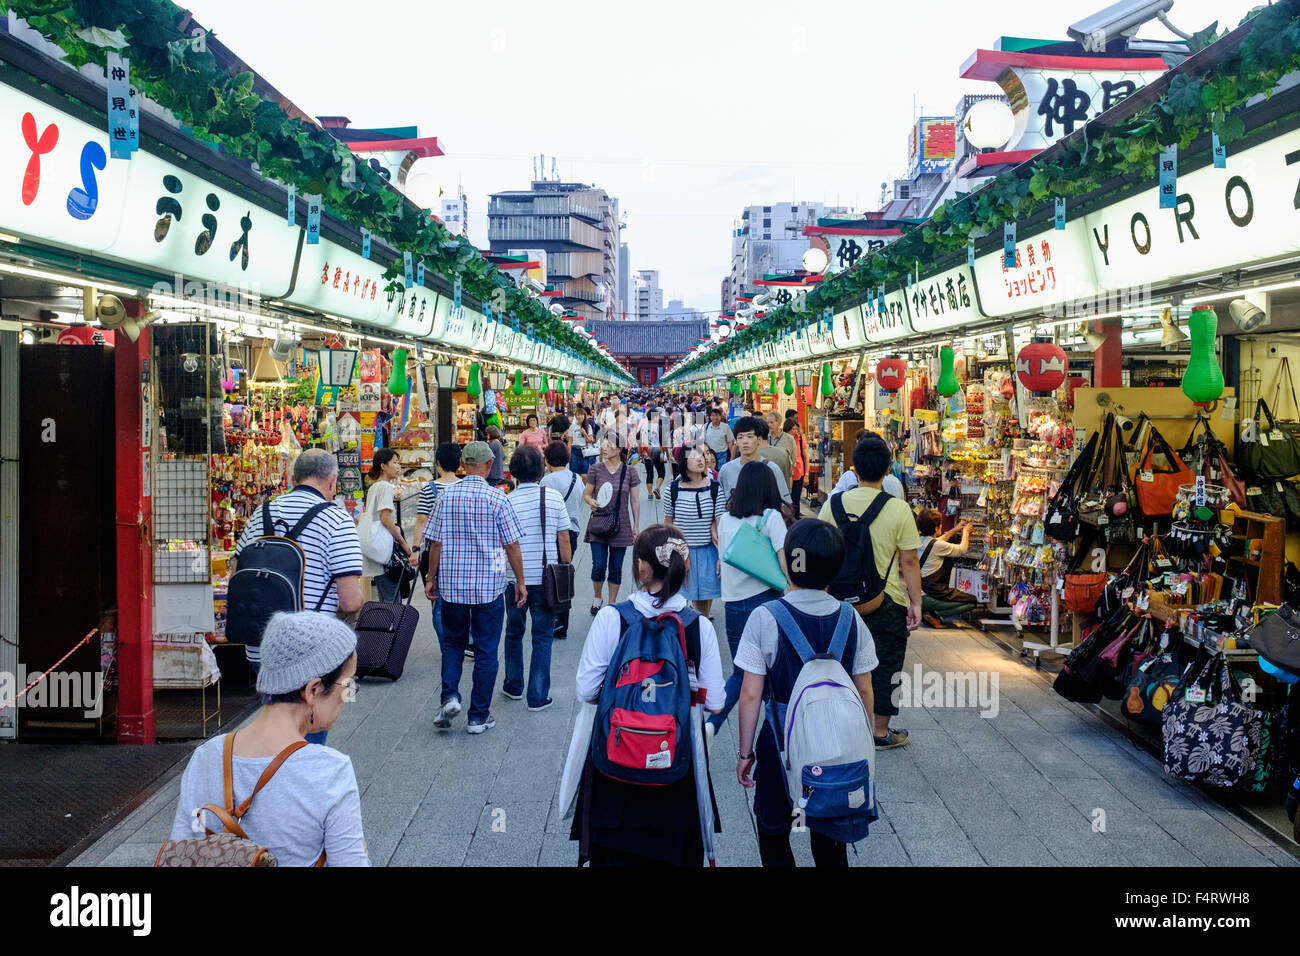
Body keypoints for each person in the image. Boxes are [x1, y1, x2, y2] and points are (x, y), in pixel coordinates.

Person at [571, 524, 724, 867]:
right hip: (675, 769)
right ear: (685, 567)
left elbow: (586, 689)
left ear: (640, 567)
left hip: (615, 767)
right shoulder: (699, 626)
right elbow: (714, 701)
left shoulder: (613, 618)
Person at [169, 612, 369, 866]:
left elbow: (182, 851)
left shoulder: (206, 756)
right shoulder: (330, 770)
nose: (348, 697)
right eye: (348, 686)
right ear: (313, 690)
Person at [734, 519, 877, 867]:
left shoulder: (765, 618)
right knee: (827, 834)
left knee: (774, 830)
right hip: (835, 748)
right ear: (836, 567)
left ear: (790, 561)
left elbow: (751, 694)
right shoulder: (851, 618)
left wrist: (744, 752)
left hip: (779, 744)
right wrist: (865, 743)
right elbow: (864, 689)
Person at [231, 449, 363, 746]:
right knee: (309, 735)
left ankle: (269, 776)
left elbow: (236, 573)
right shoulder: (336, 519)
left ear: (294, 477)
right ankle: (298, 784)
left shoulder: (262, 512)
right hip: (311, 652)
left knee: (277, 725)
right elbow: (351, 601)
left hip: (261, 647)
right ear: (333, 481)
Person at [817, 434, 922, 750]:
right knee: (887, 664)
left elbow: (820, 551)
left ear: (854, 469)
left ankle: (842, 724)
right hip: (886, 600)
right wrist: (916, 602)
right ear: (888, 470)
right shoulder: (899, 509)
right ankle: (879, 731)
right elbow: (909, 561)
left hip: (837, 601)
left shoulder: (832, 505)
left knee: (839, 661)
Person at [424, 441, 528, 735]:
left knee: (453, 644)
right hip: (488, 587)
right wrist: (520, 582)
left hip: (453, 586)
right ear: (487, 465)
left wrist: (432, 578)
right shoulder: (498, 499)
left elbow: (435, 543)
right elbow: (512, 546)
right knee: (486, 651)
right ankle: (478, 716)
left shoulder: (446, 496)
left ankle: (450, 696)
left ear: (463, 465)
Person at [708, 461, 789, 743]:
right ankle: (775, 731)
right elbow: (784, 559)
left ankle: (713, 721)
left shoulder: (726, 520)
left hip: (733, 606)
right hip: (765, 603)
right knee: (772, 671)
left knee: (743, 672)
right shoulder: (770, 518)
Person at [502, 446, 572, 711]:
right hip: (546, 579)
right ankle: (538, 695)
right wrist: (566, 563)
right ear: (541, 469)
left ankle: (513, 685)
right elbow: (563, 537)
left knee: (513, 632)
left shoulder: (507, 500)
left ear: (514, 471)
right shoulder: (553, 497)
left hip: (514, 579)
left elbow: (505, 543)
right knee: (542, 636)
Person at [583, 428, 642, 615]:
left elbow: (634, 500)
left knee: (616, 567)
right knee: (598, 565)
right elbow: (586, 493)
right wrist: (590, 501)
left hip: (621, 525)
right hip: (599, 524)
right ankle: (597, 597)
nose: (604, 448)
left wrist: (636, 525)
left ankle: (611, 603)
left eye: (609, 445)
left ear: (619, 449)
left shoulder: (630, 471)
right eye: (604, 444)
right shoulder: (596, 469)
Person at [665, 442, 725, 617]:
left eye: (701, 455)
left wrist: (722, 555)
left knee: (704, 599)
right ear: (683, 463)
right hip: (681, 552)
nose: (700, 459)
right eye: (693, 456)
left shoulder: (715, 488)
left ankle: (701, 629)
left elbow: (720, 523)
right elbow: (668, 524)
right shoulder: (673, 489)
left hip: (708, 552)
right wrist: (669, 553)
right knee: (678, 598)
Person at [413, 442, 462, 645]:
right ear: (459, 463)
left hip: (436, 553)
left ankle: (447, 645)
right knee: (461, 599)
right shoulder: (465, 486)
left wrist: (415, 548)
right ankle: (465, 642)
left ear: (438, 463)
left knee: (437, 602)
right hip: (462, 552)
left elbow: (421, 521)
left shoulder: (429, 489)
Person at [361, 449, 415, 604]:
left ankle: (386, 626)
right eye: (395, 462)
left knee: (386, 597)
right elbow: (386, 519)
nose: (397, 466)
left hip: (375, 549)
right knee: (392, 601)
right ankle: (392, 628)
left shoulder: (374, 487)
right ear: (383, 466)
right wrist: (404, 543)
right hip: (384, 550)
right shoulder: (385, 487)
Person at [542, 440, 584, 641]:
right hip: (572, 532)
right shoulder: (577, 478)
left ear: (548, 460)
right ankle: (562, 623)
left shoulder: (547, 481)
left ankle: (552, 619)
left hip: (553, 533)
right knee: (564, 575)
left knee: (550, 576)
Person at [916, 509, 980, 626]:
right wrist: (966, 532)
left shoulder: (919, 540)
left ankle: (930, 612)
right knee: (972, 601)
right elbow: (962, 550)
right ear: (936, 528)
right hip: (931, 593)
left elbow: (938, 541)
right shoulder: (937, 545)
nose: (941, 526)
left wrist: (956, 529)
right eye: (939, 524)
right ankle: (934, 614)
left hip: (919, 593)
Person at [718, 416, 792, 506]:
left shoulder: (772, 469)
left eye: (750, 436)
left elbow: (785, 505)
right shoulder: (726, 470)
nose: (745, 441)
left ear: (759, 440)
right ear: (736, 442)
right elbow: (720, 507)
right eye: (740, 437)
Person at [833, 431, 906, 499]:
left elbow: (831, 499)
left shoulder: (847, 478)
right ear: (887, 470)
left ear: (855, 470)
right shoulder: (895, 483)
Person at [762, 410, 795, 489]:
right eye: (767, 422)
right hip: (766, 478)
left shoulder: (789, 439)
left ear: (779, 423)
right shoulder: (764, 438)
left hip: (783, 477)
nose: (769, 425)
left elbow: (793, 460)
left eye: (772, 422)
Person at [639, 406, 666, 499]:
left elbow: (640, 441)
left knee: (649, 474)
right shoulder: (659, 427)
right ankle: (657, 488)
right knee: (661, 472)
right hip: (658, 452)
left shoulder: (643, 427)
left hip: (646, 453)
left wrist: (641, 454)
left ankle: (650, 494)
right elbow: (663, 442)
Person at [784, 418, 809, 518]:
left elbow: (806, 457)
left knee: (796, 499)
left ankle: (795, 519)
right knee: (786, 499)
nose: (795, 432)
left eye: (796, 429)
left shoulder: (800, 439)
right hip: (786, 473)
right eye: (793, 429)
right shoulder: (783, 439)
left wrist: (806, 474)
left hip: (798, 472)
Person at [702, 405, 736, 469]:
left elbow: (730, 442)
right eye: (713, 415)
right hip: (710, 454)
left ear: (720, 417)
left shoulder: (725, 427)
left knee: (720, 470)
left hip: (722, 454)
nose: (715, 417)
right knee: (710, 471)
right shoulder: (706, 426)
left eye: (717, 415)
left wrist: (732, 456)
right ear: (710, 417)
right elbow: (703, 441)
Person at [568, 405, 597, 475]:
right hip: (574, 450)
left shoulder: (588, 426)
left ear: (585, 416)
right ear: (576, 416)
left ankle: (584, 485)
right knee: (573, 472)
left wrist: (585, 434)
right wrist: (568, 452)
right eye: (578, 415)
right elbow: (570, 441)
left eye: (582, 415)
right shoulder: (572, 427)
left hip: (584, 450)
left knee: (584, 472)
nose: (580, 417)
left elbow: (590, 440)